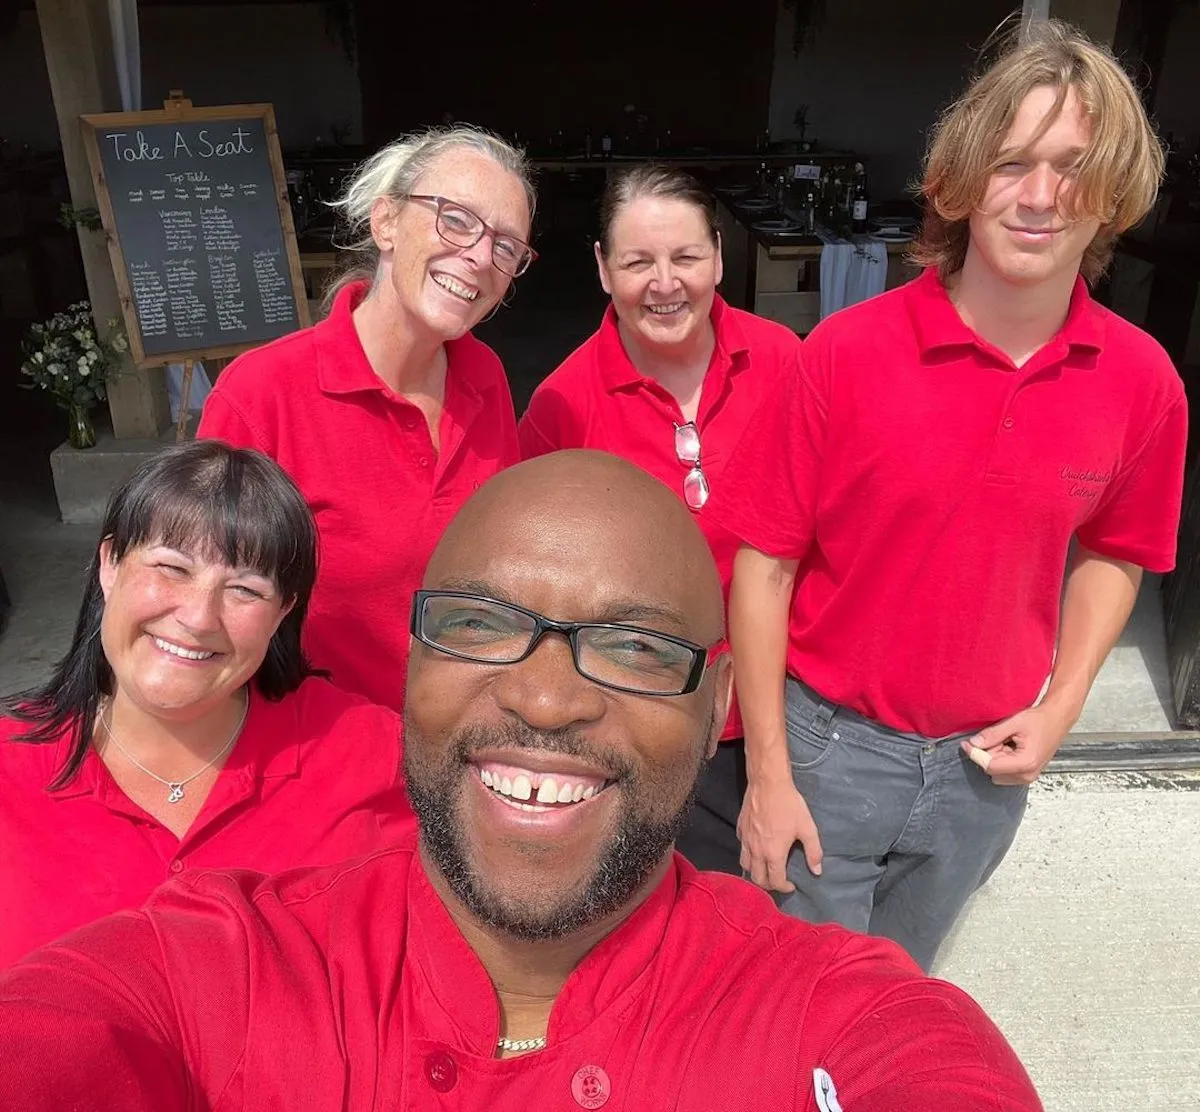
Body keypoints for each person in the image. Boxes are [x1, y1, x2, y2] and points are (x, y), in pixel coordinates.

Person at [0, 452, 1043, 1110]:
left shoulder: (822, 1011)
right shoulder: (224, 968)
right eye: (479, 626)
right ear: (410, 663)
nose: (546, 700)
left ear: (720, 701)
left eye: (634, 646)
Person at [713, 20, 1187, 972]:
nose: (1042, 197)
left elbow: (1118, 550)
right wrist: (767, 771)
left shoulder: (1143, 381)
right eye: (1011, 163)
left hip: (984, 772)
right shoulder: (843, 357)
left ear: (1116, 197)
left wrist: (1060, 709)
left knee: (900, 1001)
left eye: (1074, 167)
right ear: (959, 183)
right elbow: (764, 566)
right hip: (827, 753)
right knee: (800, 999)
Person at [0, 441, 412, 968]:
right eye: (171, 567)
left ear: (283, 610)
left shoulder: (366, 752)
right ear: (109, 563)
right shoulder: (14, 767)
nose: (198, 617)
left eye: (244, 589)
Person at [519, 165, 801, 874]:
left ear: (718, 254)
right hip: (643, 723)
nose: (665, 283)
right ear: (603, 269)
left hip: (790, 714)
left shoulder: (787, 364)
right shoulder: (562, 406)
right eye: (638, 261)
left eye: (686, 258)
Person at [198, 125, 536, 712]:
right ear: (386, 223)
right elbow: (206, 618)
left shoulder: (486, 378)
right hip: (320, 753)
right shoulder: (262, 396)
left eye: (506, 247)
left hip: (460, 736)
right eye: (456, 219)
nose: (480, 256)